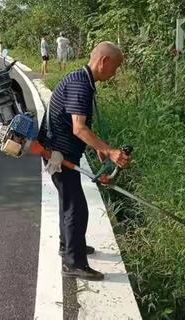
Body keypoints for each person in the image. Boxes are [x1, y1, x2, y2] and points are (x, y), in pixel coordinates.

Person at [38, 41, 130, 281]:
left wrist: (98, 147)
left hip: (57, 150)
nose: (115, 72)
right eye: (116, 67)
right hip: (58, 154)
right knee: (76, 207)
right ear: (104, 61)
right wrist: (109, 151)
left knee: (68, 201)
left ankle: (67, 246)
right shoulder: (81, 84)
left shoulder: (81, 78)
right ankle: (74, 263)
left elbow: (78, 125)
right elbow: (79, 128)